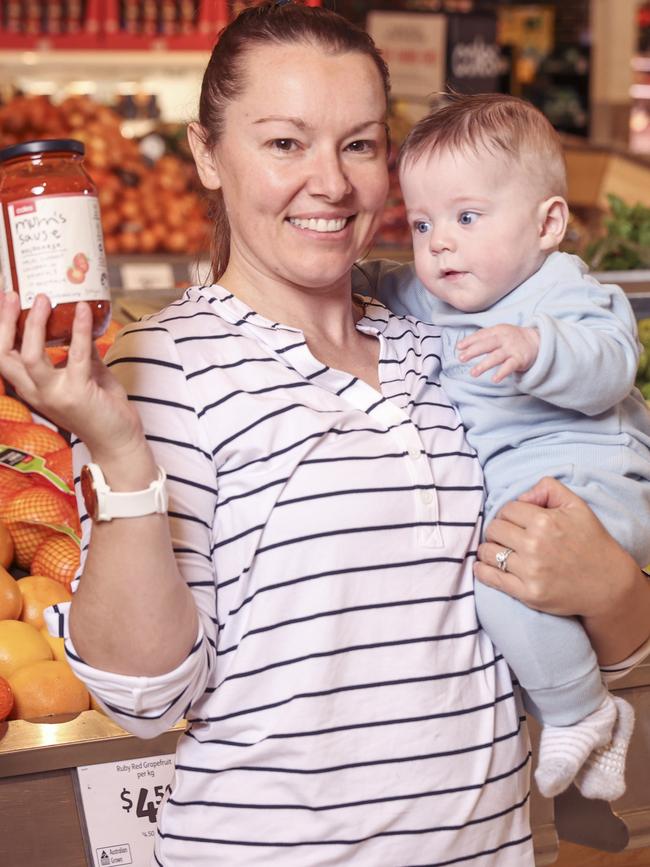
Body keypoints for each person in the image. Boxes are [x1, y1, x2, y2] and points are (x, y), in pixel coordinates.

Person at [0, 6, 648, 866]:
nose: (332, 184)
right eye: (284, 144)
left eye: (360, 144)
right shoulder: (161, 367)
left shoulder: (445, 336)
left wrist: (610, 587)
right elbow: (147, 697)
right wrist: (120, 454)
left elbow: (612, 634)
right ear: (205, 154)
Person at [355, 92, 650, 803]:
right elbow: (382, 281)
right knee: (509, 601)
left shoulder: (561, 288)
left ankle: (580, 713)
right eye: (421, 223)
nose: (439, 243)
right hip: (525, 493)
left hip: (590, 479)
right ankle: (599, 731)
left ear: (548, 224)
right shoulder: (440, 293)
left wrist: (538, 348)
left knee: (504, 590)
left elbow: (613, 362)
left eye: (465, 217)